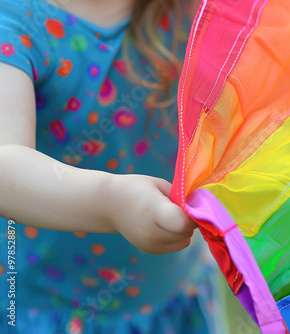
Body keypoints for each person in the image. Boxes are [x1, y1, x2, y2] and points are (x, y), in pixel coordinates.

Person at [0, 0, 226, 332]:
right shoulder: (15, 21)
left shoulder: (192, 7)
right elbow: (6, 163)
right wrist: (111, 202)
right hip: (54, 310)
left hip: (175, 289)